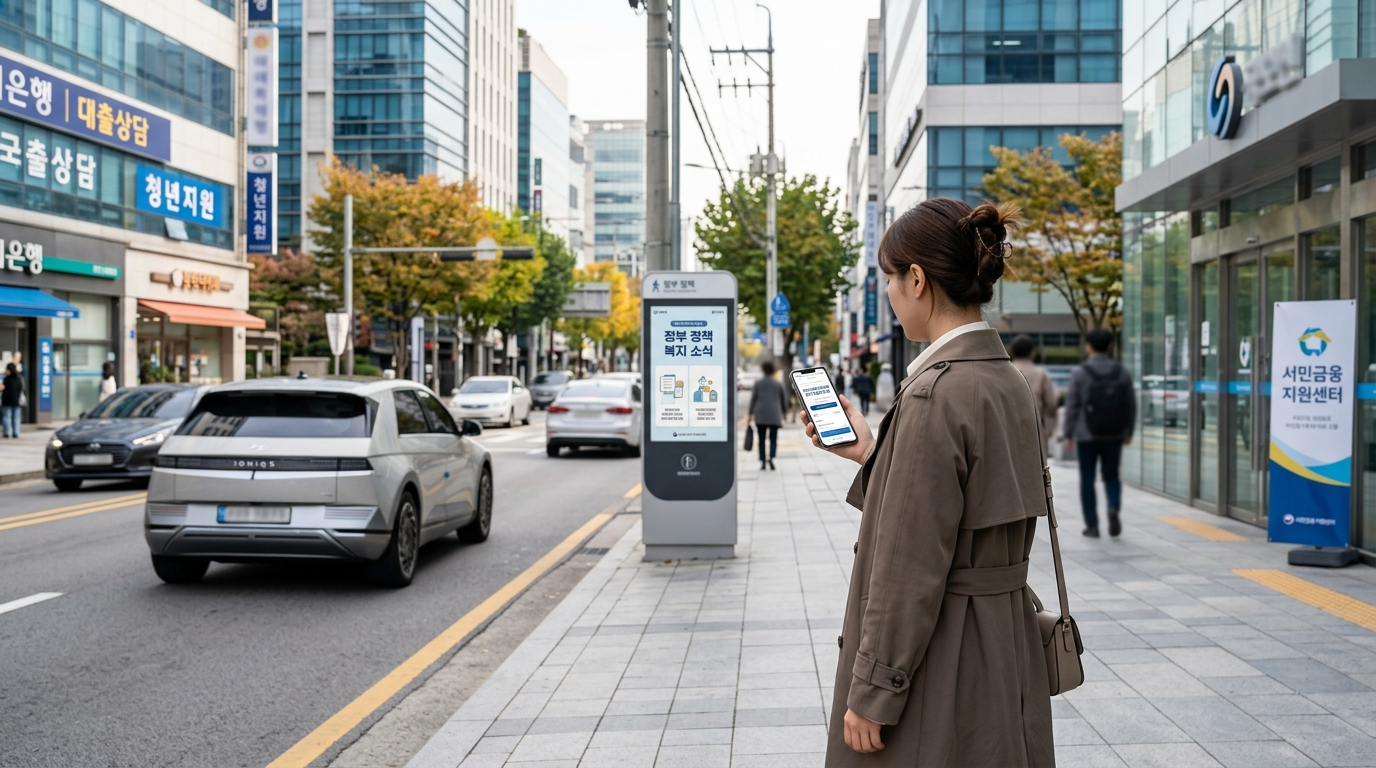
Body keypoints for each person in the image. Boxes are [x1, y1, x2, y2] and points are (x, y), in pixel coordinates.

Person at [802, 199, 1052, 766]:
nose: (889, 293)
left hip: (942, 658)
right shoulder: (1006, 380)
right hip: (1003, 647)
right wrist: (871, 451)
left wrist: (872, 690)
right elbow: (961, 505)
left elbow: (907, 562)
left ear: (917, 279)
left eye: (892, 277)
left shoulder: (934, 393)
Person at [1063, 328, 1135, 538]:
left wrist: (1068, 433)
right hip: (1114, 433)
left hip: (1087, 434)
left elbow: (1072, 406)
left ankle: (1092, 526)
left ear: (1089, 346)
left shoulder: (1080, 373)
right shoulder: (1121, 372)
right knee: (1112, 476)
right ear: (1110, 346)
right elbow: (1130, 403)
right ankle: (1113, 507)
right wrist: (1128, 430)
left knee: (1087, 478)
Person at [1010, 334, 1058, 449]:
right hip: (1035, 427)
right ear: (1032, 352)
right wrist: (1049, 428)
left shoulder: (1003, 372)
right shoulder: (1040, 374)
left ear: (1012, 351)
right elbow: (1051, 404)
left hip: (1009, 428)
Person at [749, 360, 787, 470]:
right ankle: (771, 457)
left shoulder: (758, 383)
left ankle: (762, 460)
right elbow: (783, 400)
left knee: (761, 439)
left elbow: (753, 400)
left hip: (760, 415)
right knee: (773, 438)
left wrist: (750, 413)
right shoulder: (778, 384)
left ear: (763, 370)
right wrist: (784, 414)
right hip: (774, 415)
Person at [1, 362, 23, 439]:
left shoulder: (6, 378)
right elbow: (21, 388)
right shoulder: (18, 378)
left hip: (7, 401)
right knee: (16, 418)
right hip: (17, 401)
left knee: (7, 417)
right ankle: (15, 433)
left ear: (9, 370)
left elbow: (3, 388)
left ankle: (6, 432)